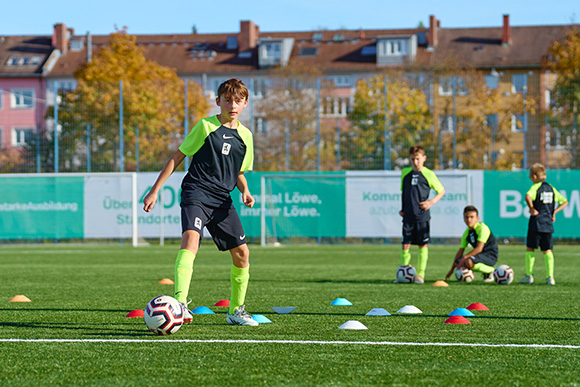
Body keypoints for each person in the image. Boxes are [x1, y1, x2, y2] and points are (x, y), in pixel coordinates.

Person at [143, 78, 259, 326]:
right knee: (191, 239)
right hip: (196, 192)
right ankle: (180, 304)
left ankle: (236, 311)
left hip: (222, 199)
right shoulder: (206, 126)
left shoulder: (246, 136)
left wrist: (245, 191)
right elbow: (179, 156)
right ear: (218, 102)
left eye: (238, 100)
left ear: (246, 103)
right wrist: (155, 190)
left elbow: (237, 171)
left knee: (242, 254)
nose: (233, 105)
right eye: (227, 100)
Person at [397, 145, 445, 284]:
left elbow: (441, 191)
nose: (415, 162)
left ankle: (420, 275)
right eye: (412, 159)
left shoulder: (428, 174)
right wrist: (403, 208)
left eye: (417, 159)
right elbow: (404, 192)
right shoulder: (405, 173)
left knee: (422, 245)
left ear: (424, 158)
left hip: (422, 215)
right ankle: (404, 273)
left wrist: (431, 202)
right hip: (408, 216)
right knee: (405, 244)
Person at [520, 163, 568, 285]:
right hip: (547, 223)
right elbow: (565, 202)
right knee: (547, 250)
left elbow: (527, 196)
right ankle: (550, 277)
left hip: (536, 222)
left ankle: (529, 276)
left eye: (531, 177)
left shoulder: (536, 187)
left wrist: (531, 208)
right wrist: (554, 212)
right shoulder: (551, 188)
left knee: (530, 248)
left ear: (535, 176)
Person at [445, 205, 498, 283]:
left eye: (472, 217)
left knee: (468, 261)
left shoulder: (483, 228)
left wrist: (465, 258)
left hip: (490, 256)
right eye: (466, 217)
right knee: (458, 261)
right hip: (479, 256)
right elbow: (460, 252)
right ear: (463, 218)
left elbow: (479, 248)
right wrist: (452, 270)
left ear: (477, 218)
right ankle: (468, 275)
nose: (469, 219)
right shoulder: (466, 233)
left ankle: (492, 271)